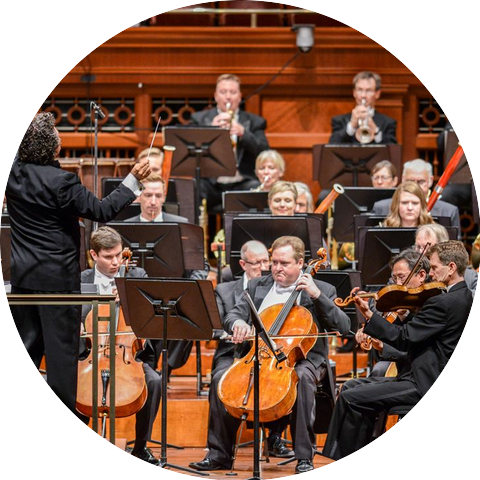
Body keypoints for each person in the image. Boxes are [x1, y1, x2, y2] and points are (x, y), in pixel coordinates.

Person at [0, 108, 150, 445]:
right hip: (58, 284)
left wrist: (26, 129)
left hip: (23, 279)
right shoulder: (61, 182)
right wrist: (133, 180)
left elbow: (16, 147)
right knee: (61, 356)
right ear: (53, 148)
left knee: (19, 354)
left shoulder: (9, 167)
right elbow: (102, 210)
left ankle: (2, 428)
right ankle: (63, 432)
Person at [190, 236, 350, 474]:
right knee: (219, 378)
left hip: (303, 358)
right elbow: (233, 315)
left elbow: (344, 326)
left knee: (302, 378)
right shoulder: (258, 285)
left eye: (284, 263)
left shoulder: (322, 289)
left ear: (300, 263)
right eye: (274, 262)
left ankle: (304, 456)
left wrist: (317, 295)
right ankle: (219, 455)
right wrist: (237, 324)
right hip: (257, 355)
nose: (277, 268)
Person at [320, 241, 476, 480]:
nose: (430, 274)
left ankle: (348, 472)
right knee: (351, 387)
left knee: (352, 398)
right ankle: (351, 471)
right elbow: (422, 338)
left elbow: (404, 339)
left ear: (452, 267)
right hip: (427, 379)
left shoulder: (443, 303)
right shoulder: (462, 297)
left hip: (426, 386)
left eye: (434, 268)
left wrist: (370, 315)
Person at [79, 226, 161, 467]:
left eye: (118, 255)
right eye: (108, 257)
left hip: (126, 354)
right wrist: (77, 326)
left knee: (154, 382)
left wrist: (129, 298)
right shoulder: (81, 279)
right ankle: (74, 438)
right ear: (94, 255)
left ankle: (140, 448)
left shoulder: (137, 275)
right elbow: (68, 314)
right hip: (90, 353)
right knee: (68, 380)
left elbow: (152, 315)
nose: (115, 262)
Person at [210, 240, 292, 458]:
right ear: (243, 264)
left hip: (268, 353)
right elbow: (216, 327)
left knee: (283, 377)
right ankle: (219, 452)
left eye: (266, 261)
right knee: (220, 378)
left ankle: (275, 437)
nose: (263, 267)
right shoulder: (225, 290)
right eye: (257, 263)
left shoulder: (276, 285)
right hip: (233, 353)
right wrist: (236, 329)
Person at [190, 73, 269, 210]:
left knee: (256, 189)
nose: (228, 97)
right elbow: (189, 148)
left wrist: (244, 133)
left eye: (233, 92)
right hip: (211, 183)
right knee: (194, 188)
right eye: (223, 92)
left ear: (240, 96)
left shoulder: (255, 122)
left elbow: (265, 152)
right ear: (216, 96)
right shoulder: (199, 119)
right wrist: (210, 130)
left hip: (241, 182)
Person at [372, 158, 461, 235]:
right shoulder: (381, 208)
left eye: (420, 181)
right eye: (410, 181)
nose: (415, 186)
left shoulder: (449, 211)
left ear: (430, 181)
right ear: (403, 179)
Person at [436, 73, 480, 208]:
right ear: (472, 90)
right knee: (442, 199)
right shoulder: (459, 114)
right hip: (462, 181)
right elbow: (441, 143)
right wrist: (466, 120)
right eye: (479, 88)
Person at [329, 71, 397, 145]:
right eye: (359, 90)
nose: (363, 95)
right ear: (354, 92)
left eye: (368, 90)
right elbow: (332, 145)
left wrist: (375, 130)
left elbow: (393, 149)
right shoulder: (339, 121)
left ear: (377, 94)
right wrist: (351, 126)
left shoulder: (388, 123)